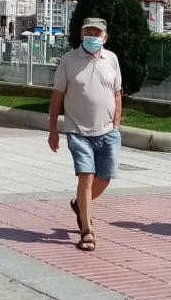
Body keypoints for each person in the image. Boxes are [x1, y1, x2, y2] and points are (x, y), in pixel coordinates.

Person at [48, 17, 122, 253]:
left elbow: (117, 93)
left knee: (105, 177)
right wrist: (52, 130)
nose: (92, 36)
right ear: (81, 35)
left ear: (105, 37)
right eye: (88, 31)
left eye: (97, 32)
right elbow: (57, 96)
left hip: (108, 130)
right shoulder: (69, 60)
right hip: (77, 130)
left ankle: (79, 205)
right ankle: (87, 231)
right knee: (86, 176)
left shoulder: (112, 59)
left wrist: (117, 123)